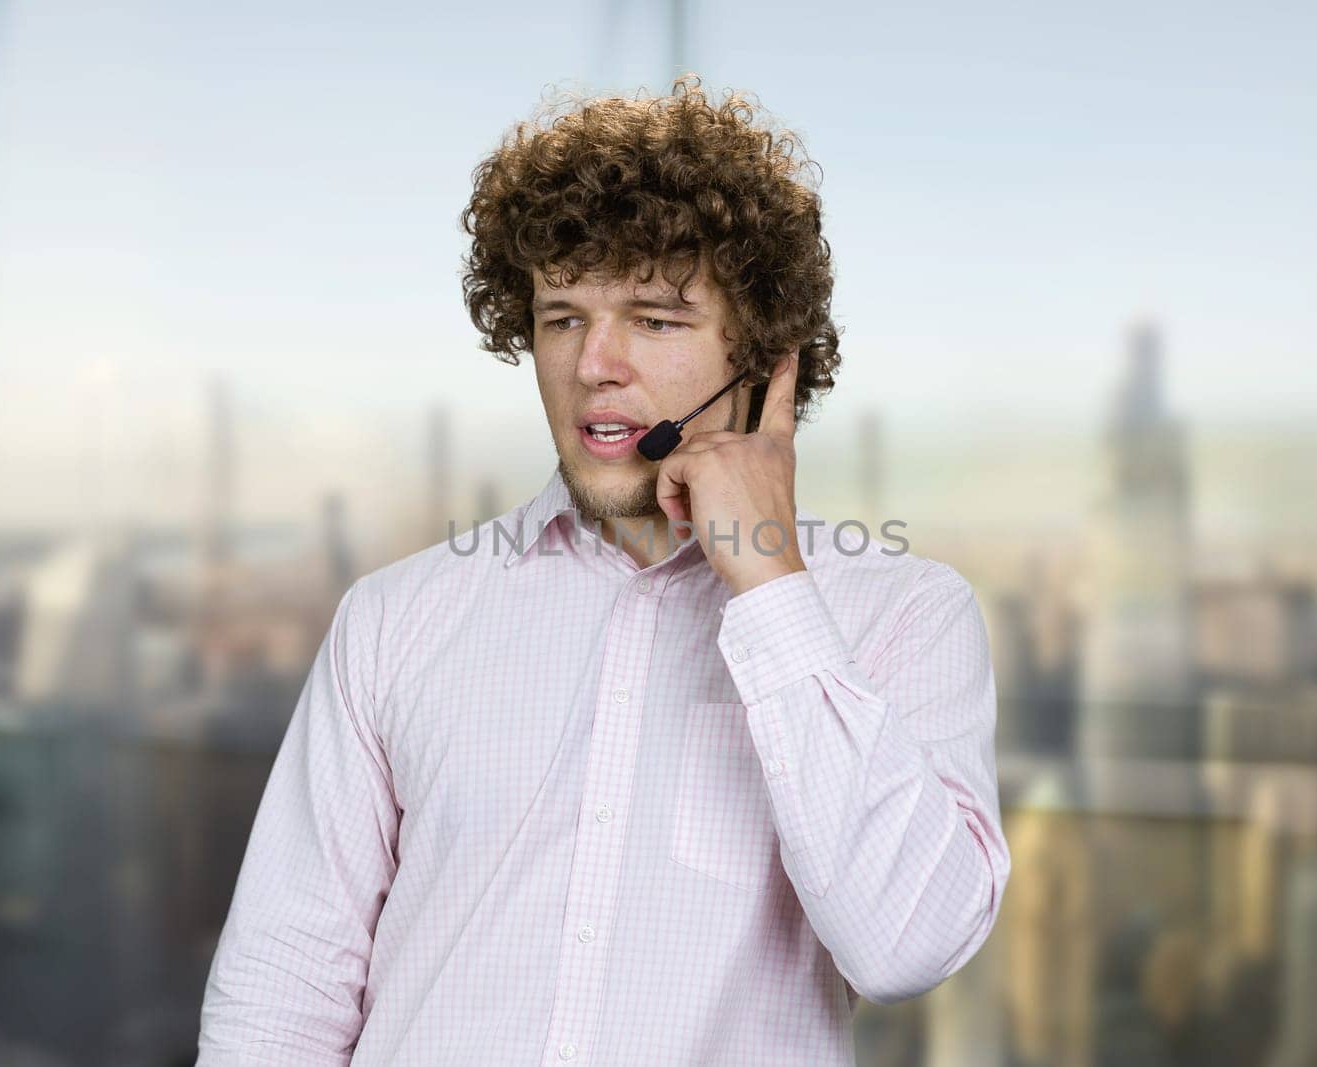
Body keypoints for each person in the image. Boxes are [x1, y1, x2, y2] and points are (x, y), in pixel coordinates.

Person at [197, 74, 1009, 1066]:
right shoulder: (395, 619)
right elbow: (282, 987)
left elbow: (909, 942)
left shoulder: (904, 614)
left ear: (761, 360)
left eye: (656, 320)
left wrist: (769, 587)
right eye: (562, 317)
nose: (595, 364)